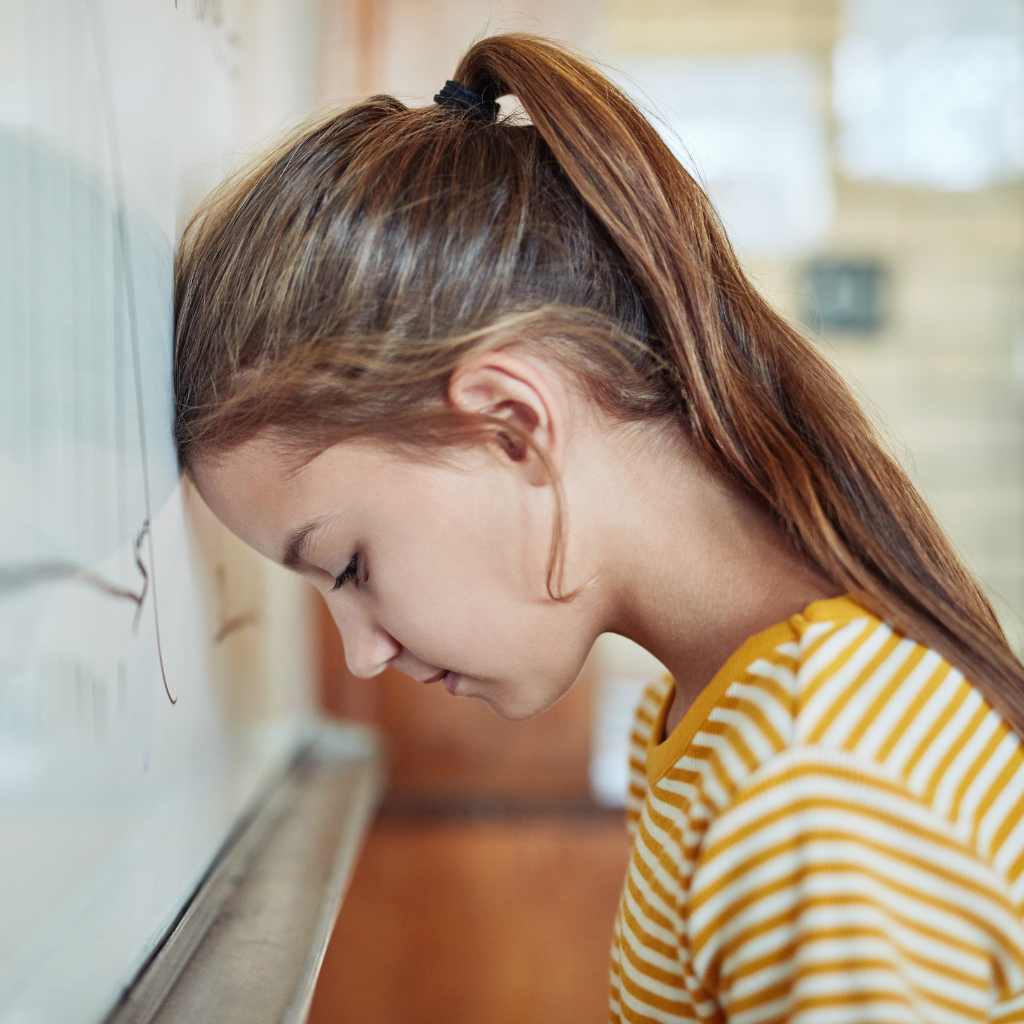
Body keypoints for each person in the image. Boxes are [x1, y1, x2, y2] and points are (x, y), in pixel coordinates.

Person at [173, 31, 1024, 1023]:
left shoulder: (812, 784)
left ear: (513, 427)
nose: (364, 653)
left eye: (349, 565)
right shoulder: (716, 715)